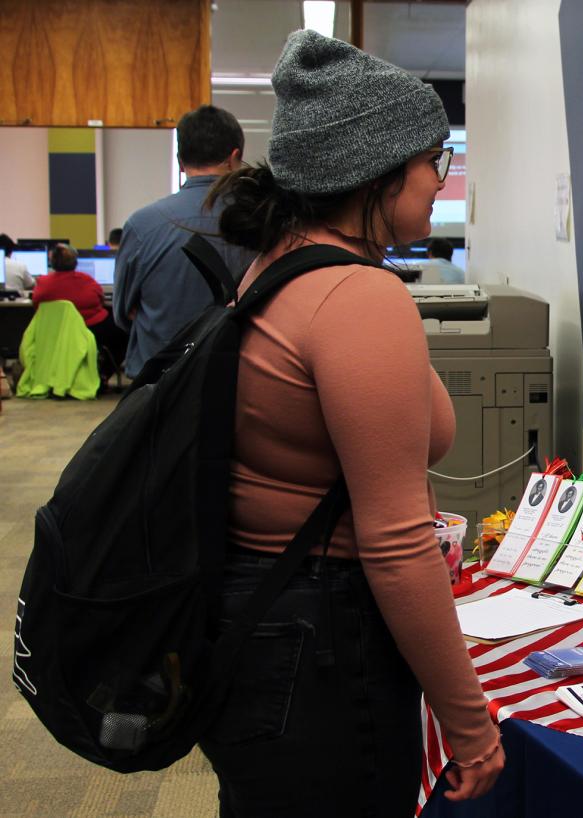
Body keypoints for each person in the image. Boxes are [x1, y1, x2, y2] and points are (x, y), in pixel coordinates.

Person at [197, 30, 502, 814]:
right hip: (323, 644)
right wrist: (471, 727)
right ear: (374, 168)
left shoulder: (283, 263)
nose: (443, 179)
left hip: (263, 629)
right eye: (433, 158)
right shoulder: (357, 298)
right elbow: (396, 541)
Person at [113, 104, 256, 378]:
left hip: (157, 383)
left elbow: (123, 313)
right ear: (234, 156)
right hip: (236, 379)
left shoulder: (141, 225)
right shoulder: (261, 221)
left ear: (180, 160)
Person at [31, 244, 128, 383]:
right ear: (76, 262)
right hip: (89, 329)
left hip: (54, 331)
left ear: (52, 263)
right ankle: (103, 374)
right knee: (124, 332)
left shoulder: (42, 283)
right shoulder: (87, 281)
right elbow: (100, 300)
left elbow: (36, 305)